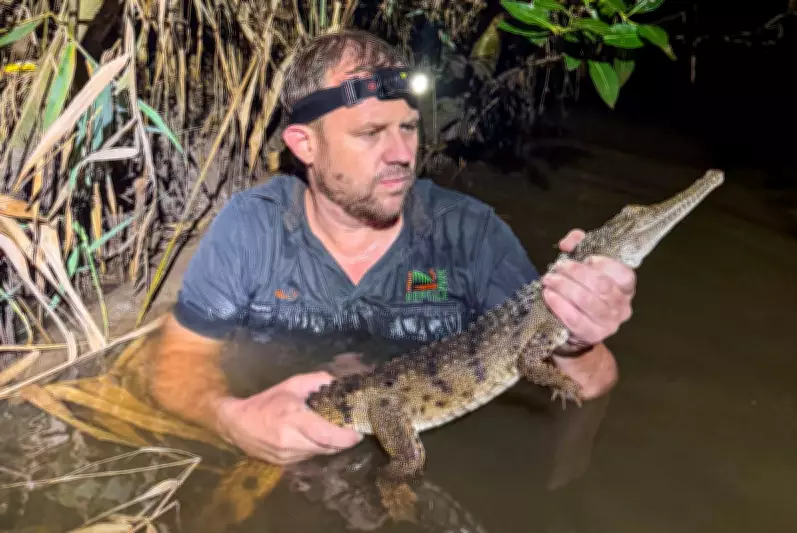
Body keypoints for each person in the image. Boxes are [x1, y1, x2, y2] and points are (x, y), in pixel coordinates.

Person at [148, 30, 636, 467]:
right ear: (304, 145)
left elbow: (594, 382)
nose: (402, 154)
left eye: (407, 127)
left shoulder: (469, 234)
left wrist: (578, 336)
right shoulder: (251, 226)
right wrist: (231, 419)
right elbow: (175, 366)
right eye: (369, 133)